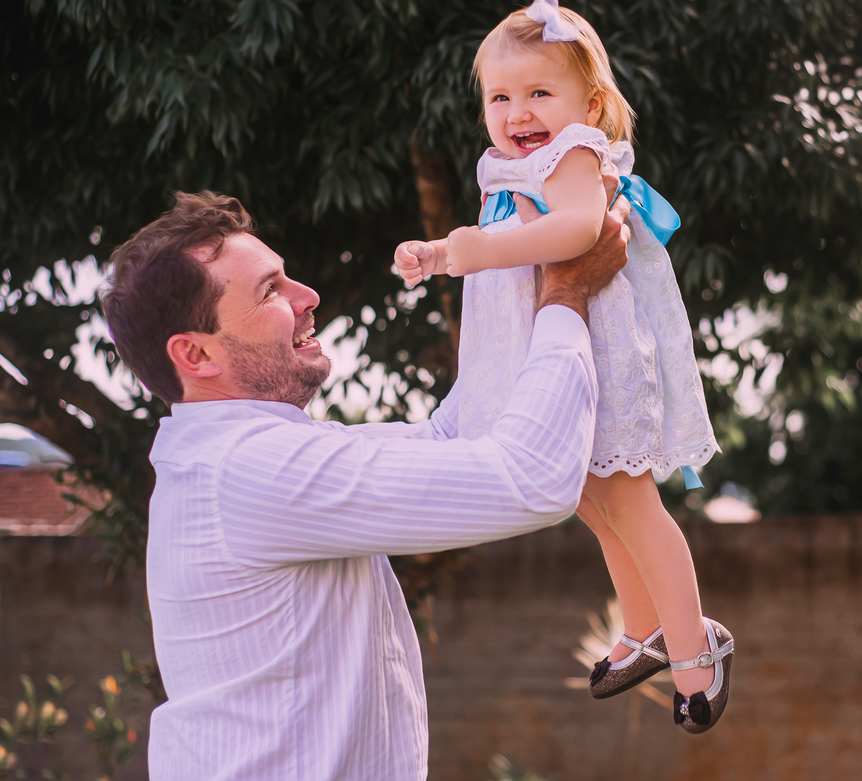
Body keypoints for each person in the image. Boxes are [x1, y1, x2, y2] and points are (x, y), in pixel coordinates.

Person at [100, 187, 630, 780]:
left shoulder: (254, 451)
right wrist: (565, 295)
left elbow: (454, 436)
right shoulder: (250, 469)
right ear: (196, 354)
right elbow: (533, 478)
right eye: (270, 290)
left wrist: (518, 257)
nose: (309, 298)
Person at [393, 0, 732, 734]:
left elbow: (579, 228)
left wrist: (471, 250)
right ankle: (642, 629)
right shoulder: (504, 167)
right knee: (591, 499)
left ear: (590, 101)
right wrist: (447, 252)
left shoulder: (574, 152)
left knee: (633, 502)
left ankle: (693, 647)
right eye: (500, 96)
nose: (518, 112)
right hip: (548, 362)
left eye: (539, 92)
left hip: (600, 359)